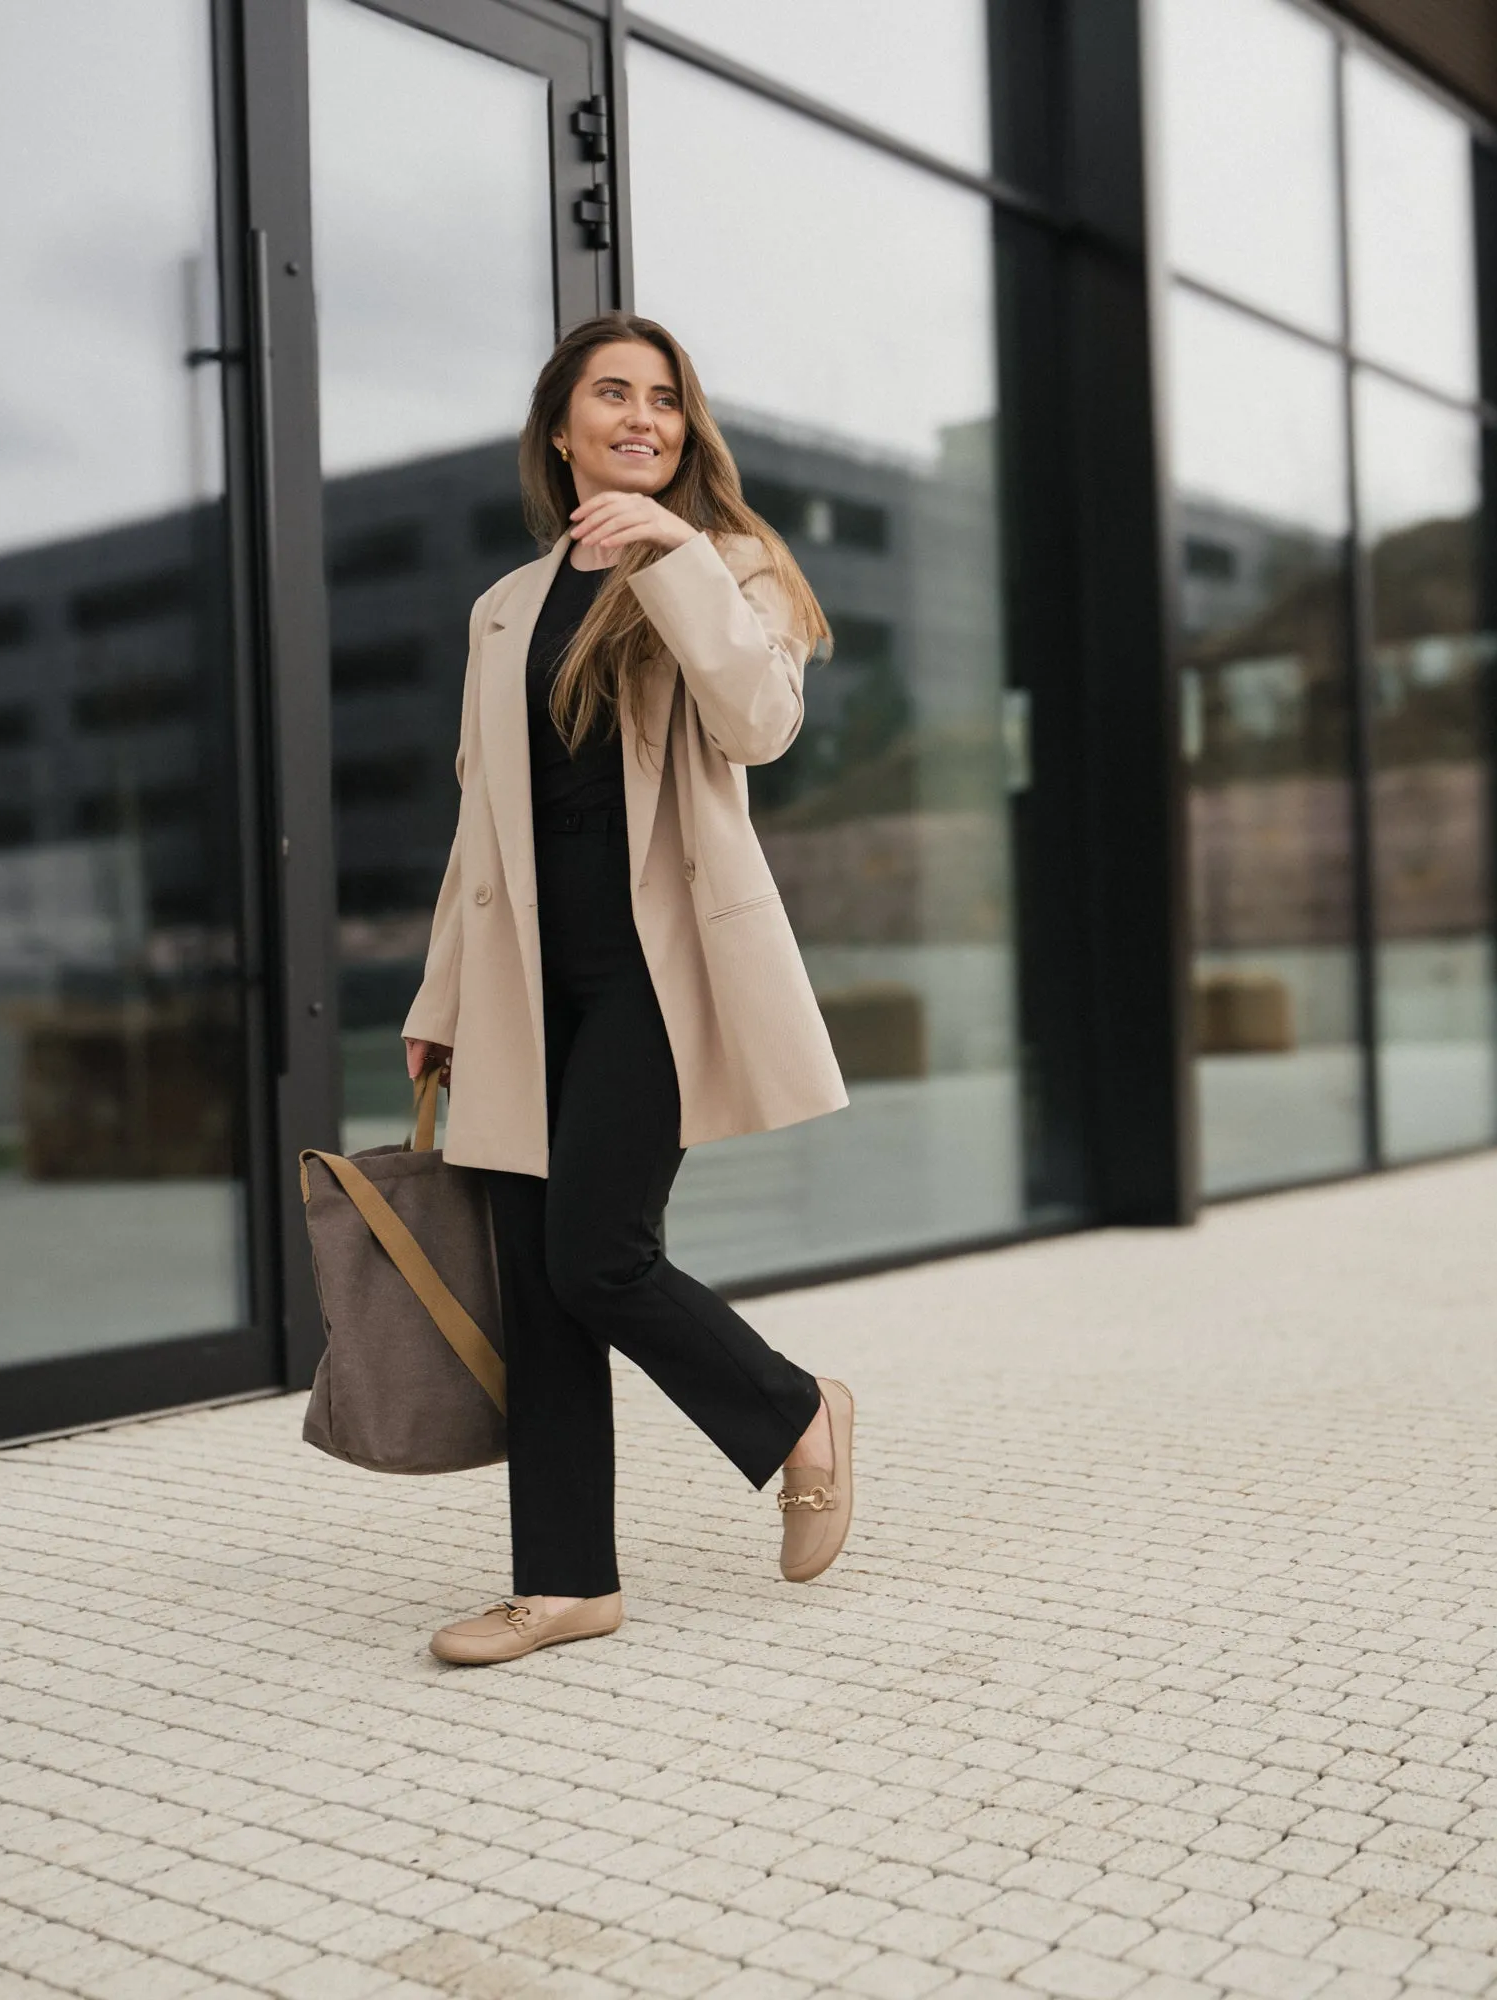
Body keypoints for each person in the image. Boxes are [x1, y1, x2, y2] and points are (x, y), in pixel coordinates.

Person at [402, 312, 858, 1667]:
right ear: (562, 425)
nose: (642, 416)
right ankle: (565, 1581)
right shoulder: (507, 605)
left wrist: (666, 557)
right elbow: (478, 827)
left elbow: (759, 725)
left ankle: (792, 1415)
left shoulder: (727, 563)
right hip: (523, 988)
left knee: (598, 1254)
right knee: (540, 1284)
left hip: (662, 977)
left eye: (666, 398)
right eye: (613, 394)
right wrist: (439, 1001)